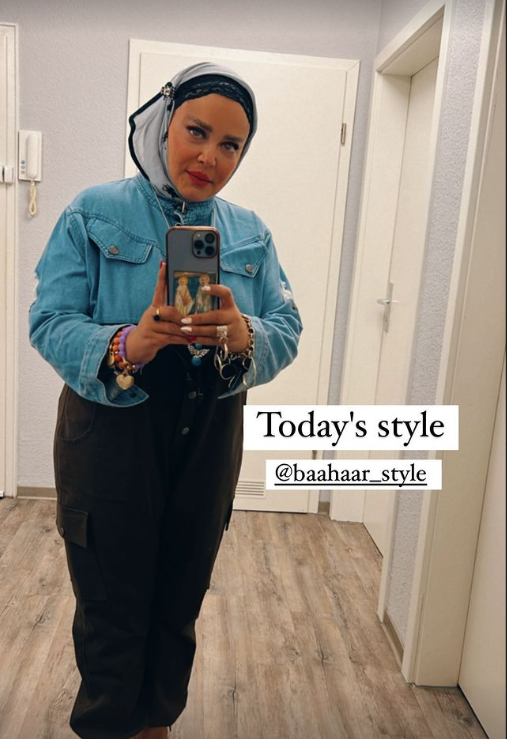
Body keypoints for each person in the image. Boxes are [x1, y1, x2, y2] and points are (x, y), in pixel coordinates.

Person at [29, 61, 302, 739]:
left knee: (180, 595)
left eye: (231, 144)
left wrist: (242, 334)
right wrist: (131, 342)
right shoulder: (93, 212)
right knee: (111, 601)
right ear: (163, 124)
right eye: (196, 132)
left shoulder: (251, 232)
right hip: (111, 425)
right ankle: (106, 726)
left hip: (210, 428)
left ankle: (156, 725)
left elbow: (287, 327)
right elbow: (49, 319)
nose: (210, 157)